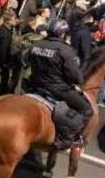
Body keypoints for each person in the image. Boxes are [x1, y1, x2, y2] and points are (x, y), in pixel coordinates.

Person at [24, 19, 93, 149]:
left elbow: (26, 60)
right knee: (87, 109)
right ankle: (69, 138)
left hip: (35, 85)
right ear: (62, 34)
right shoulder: (66, 50)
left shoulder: (36, 45)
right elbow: (75, 77)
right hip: (58, 89)